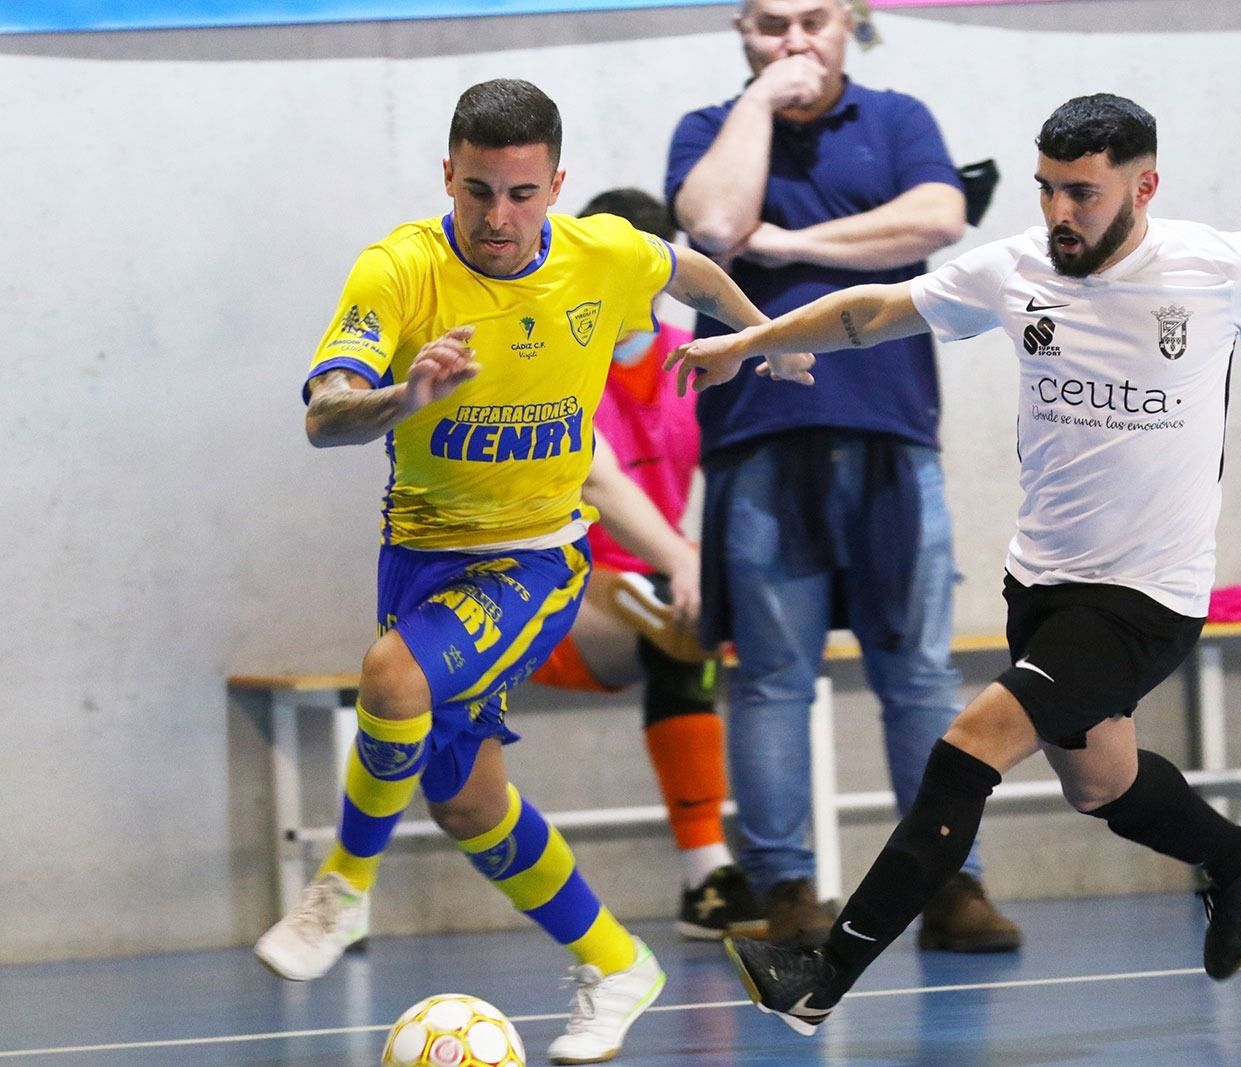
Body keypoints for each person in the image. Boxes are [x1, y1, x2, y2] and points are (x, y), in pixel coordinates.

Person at [671, 92, 1241, 1036]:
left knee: (970, 745)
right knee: (1102, 785)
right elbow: (875, 310)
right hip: (1041, 582)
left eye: (1083, 194)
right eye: (1047, 189)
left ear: (1145, 187)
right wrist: (749, 341)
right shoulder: (1015, 270)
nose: (1059, 213)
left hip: (1146, 597)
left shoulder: (1221, 269)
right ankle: (1238, 857)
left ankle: (823, 974)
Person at [253, 79, 792, 1065]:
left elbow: (693, 272)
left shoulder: (604, 255)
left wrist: (755, 337)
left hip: (537, 558)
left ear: (556, 186)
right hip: (419, 560)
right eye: (477, 191)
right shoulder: (399, 268)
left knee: (391, 678)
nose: (497, 217)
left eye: (520, 193)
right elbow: (324, 414)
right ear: (446, 176)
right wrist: (402, 397)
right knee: (467, 802)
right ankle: (619, 962)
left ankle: (341, 889)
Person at [664, 0, 1019, 952]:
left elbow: (937, 221)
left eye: (814, 19)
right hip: (758, 433)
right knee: (773, 678)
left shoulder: (896, 118)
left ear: (849, 23)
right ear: (740, 32)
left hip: (890, 429)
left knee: (918, 672)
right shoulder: (708, 130)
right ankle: (786, 892)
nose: (794, 40)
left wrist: (787, 244)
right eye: (770, 23)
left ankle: (948, 882)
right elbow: (715, 224)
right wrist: (760, 103)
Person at [525, 187, 766, 942]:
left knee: (709, 608)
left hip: (661, 587)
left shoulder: (697, 361)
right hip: (545, 599)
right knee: (681, 607)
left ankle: (744, 871)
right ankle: (708, 871)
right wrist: (683, 561)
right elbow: (597, 481)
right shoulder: (548, 360)